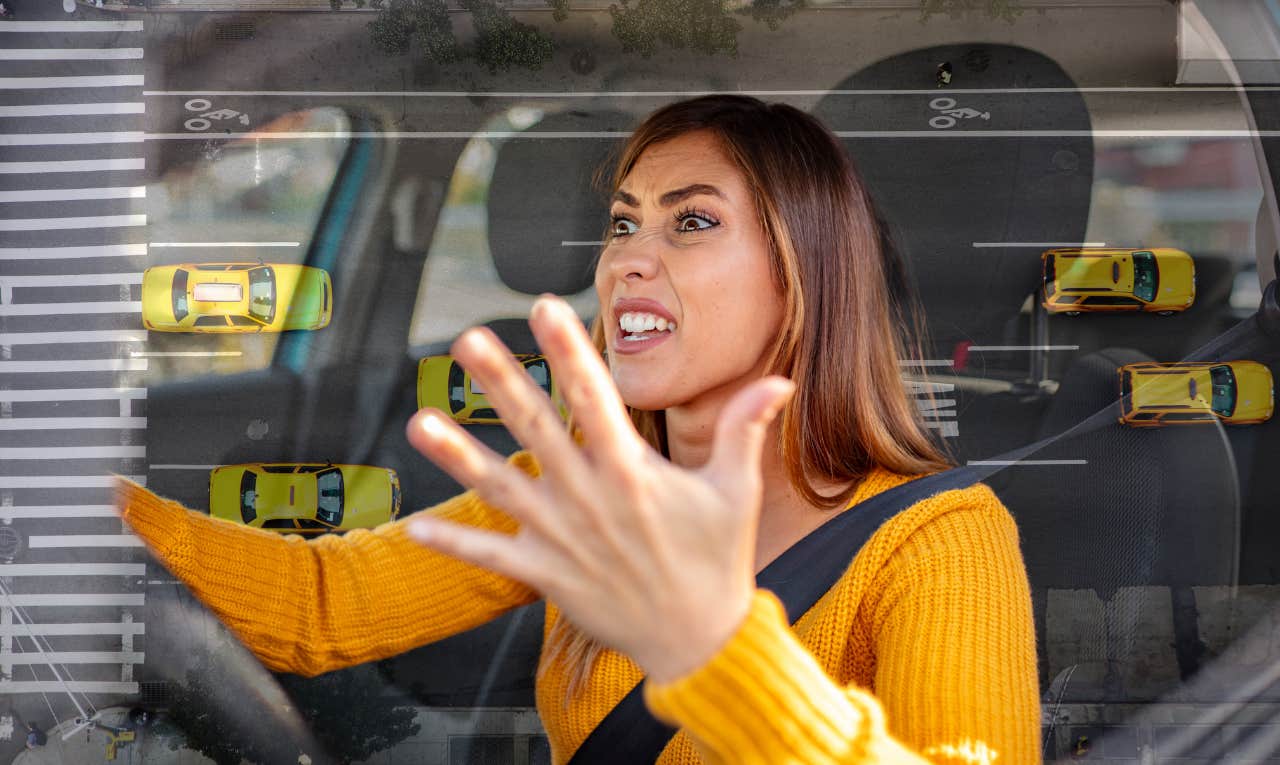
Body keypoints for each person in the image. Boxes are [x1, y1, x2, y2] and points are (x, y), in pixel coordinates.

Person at [113, 94, 1041, 763]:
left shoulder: (941, 544)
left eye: (693, 223)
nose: (630, 257)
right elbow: (322, 604)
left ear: (805, 277)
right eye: (624, 223)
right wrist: (72, 507)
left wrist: (715, 651)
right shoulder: (585, 492)